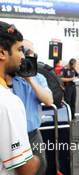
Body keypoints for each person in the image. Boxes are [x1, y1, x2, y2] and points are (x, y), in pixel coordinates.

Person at [5, 39, 53, 175]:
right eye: (24, 53)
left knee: (40, 167)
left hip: (33, 134)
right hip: (11, 136)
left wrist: (30, 78)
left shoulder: (39, 77)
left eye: (31, 56)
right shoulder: (7, 77)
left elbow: (48, 100)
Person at [0, 21, 40, 175]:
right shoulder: (7, 102)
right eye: (20, 50)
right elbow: (26, 169)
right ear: (2, 53)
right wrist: (36, 160)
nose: (23, 57)